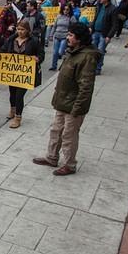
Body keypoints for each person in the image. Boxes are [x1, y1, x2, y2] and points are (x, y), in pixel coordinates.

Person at [33, 22, 99, 176]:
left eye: (70, 35)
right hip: (63, 101)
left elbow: (86, 87)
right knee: (56, 131)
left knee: (69, 136)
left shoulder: (87, 57)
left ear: (79, 38)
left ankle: (69, 164)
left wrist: (77, 109)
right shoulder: (73, 52)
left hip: (74, 105)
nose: (67, 37)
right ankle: (52, 157)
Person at [0, 21, 44, 128]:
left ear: (28, 30)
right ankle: (13, 109)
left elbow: (41, 54)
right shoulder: (11, 40)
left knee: (19, 95)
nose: (20, 32)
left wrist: (37, 58)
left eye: (22, 30)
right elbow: (3, 50)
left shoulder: (33, 41)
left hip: (25, 74)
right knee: (12, 93)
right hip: (13, 73)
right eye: (18, 29)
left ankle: (18, 118)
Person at [91, 0, 118, 75]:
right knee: (93, 51)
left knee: (100, 51)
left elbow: (115, 24)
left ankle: (98, 68)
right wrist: (91, 27)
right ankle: (92, 66)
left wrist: (109, 36)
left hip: (104, 34)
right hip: (95, 32)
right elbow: (95, 18)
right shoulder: (99, 6)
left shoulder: (112, 9)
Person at [50, 4, 76, 70]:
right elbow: (54, 26)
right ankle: (53, 66)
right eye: (64, 9)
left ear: (69, 10)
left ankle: (63, 65)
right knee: (55, 52)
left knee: (60, 52)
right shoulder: (59, 16)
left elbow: (75, 26)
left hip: (65, 36)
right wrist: (51, 35)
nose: (65, 11)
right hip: (57, 35)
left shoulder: (71, 17)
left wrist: (71, 34)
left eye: (67, 9)